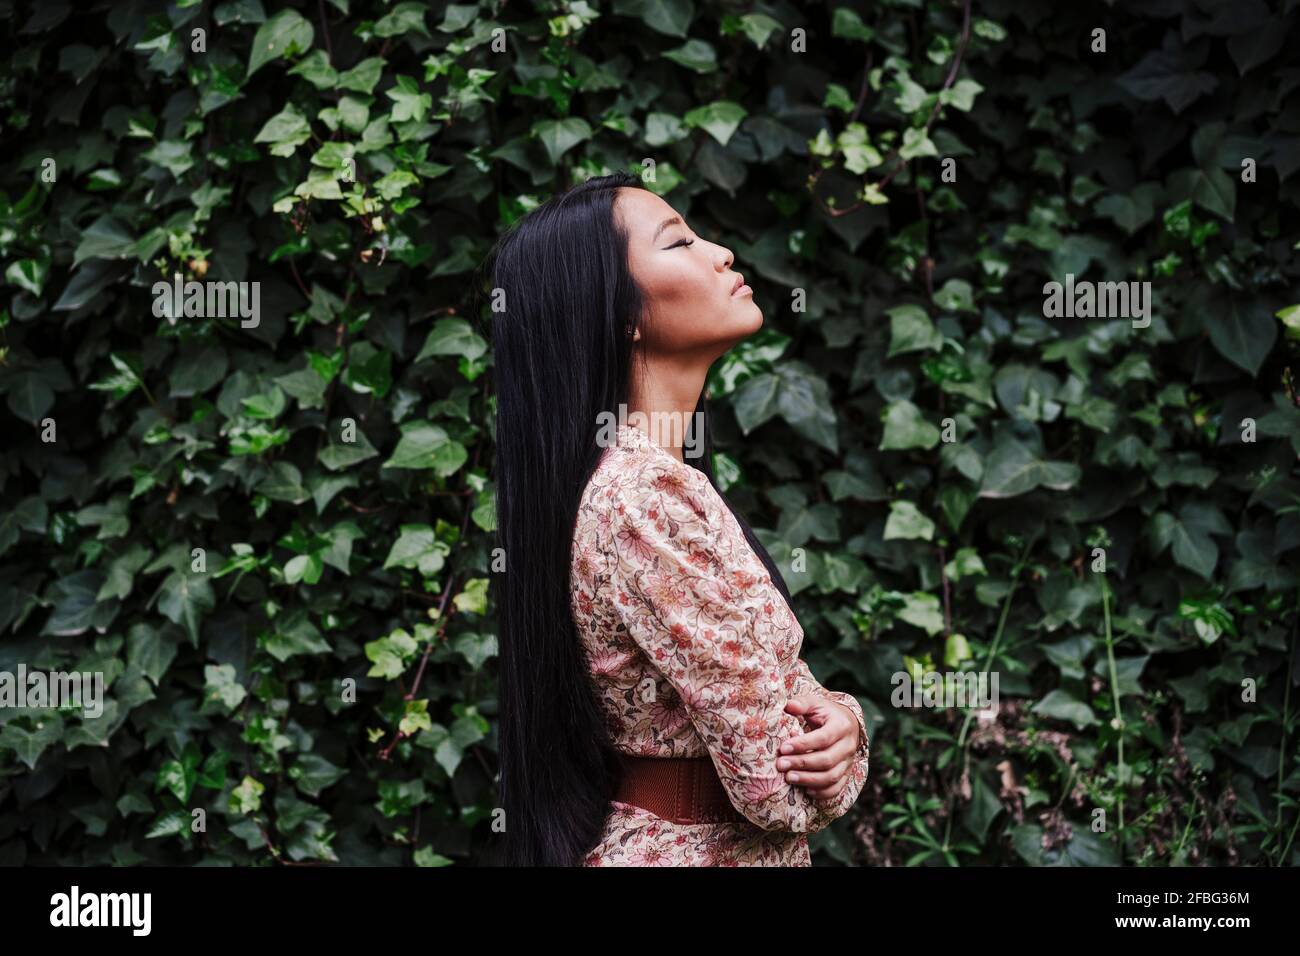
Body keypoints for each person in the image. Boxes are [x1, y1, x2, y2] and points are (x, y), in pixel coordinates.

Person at [487, 171, 870, 866]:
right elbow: (773, 788)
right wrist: (835, 762)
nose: (720, 252)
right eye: (680, 243)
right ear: (621, 312)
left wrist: (839, 720)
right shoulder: (643, 500)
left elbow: (780, 685)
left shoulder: (651, 484)